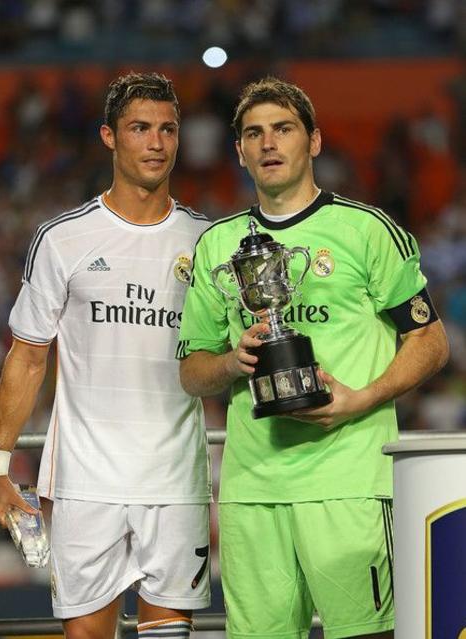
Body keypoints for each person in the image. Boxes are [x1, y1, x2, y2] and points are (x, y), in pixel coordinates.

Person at [178, 77, 449, 639]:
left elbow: (430, 340)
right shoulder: (216, 245)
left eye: (283, 129)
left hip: (349, 481)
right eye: (254, 134)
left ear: (315, 142)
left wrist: (361, 399)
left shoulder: (367, 230)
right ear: (239, 152)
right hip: (253, 490)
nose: (268, 143)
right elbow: (191, 369)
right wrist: (234, 361)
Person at [0, 72, 212, 639]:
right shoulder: (63, 237)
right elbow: (27, 356)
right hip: (87, 482)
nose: (156, 143)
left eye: (167, 129)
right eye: (140, 128)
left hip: (175, 479)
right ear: (109, 136)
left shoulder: (207, 240)